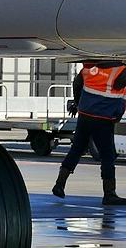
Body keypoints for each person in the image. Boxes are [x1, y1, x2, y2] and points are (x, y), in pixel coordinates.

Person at [53, 60, 126, 205]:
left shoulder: (90, 67)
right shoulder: (121, 71)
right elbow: (119, 90)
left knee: (76, 150)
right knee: (107, 156)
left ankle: (59, 184)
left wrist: (79, 103)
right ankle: (109, 194)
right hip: (103, 117)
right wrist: (118, 114)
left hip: (85, 116)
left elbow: (77, 83)